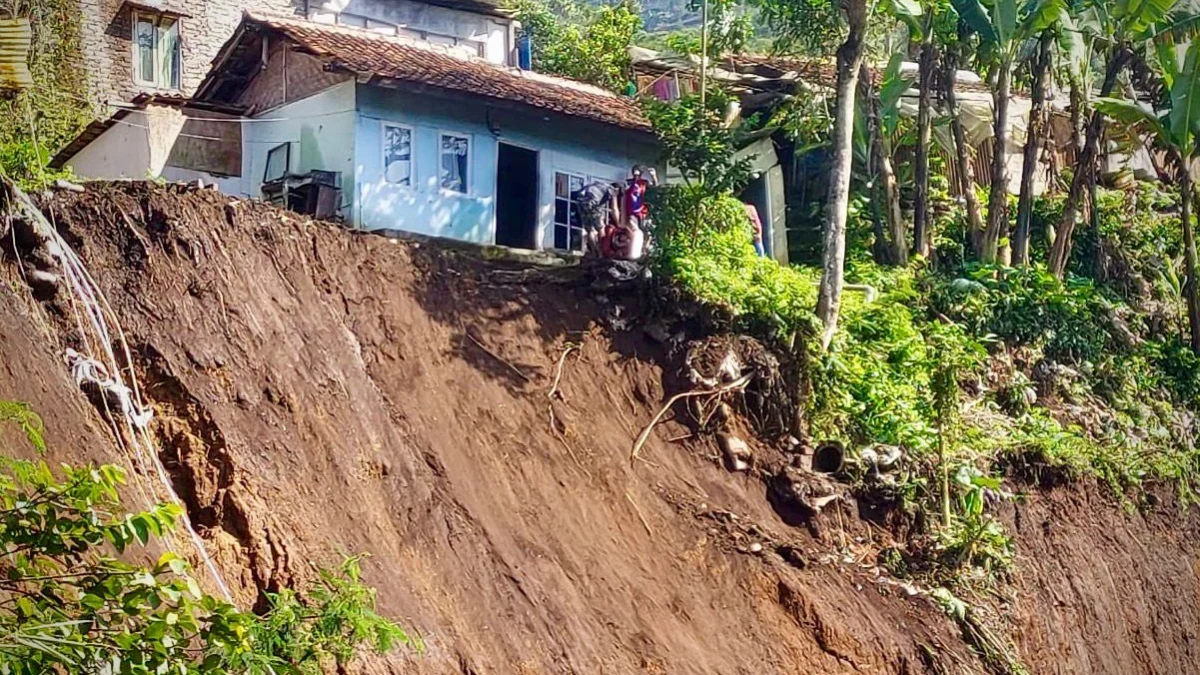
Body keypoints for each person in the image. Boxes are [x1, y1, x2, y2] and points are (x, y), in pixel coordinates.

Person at [576, 180, 621, 256]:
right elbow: (614, 209)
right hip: (592, 202)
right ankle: (602, 252)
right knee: (601, 227)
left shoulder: (600, 185)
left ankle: (594, 252)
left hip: (580, 200)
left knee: (589, 229)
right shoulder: (613, 190)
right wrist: (619, 224)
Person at [624, 165, 657, 233]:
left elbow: (654, 186)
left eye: (637, 171)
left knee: (642, 226)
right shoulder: (628, 182)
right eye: (634, 171)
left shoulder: (644, 182)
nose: (635, 173)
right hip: (629, 207)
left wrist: (653, 176)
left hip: (640, 208)